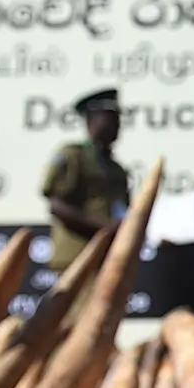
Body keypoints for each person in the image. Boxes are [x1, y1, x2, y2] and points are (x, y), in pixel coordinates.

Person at [41, 88, 130, 273]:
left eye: (118, 119)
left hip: (108, 258)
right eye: (110, 118)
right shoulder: (74, 156)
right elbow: (57, 205)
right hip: (78, 256)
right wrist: (102, 227)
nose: (117, 125)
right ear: (92, 119)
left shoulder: (116, 169)